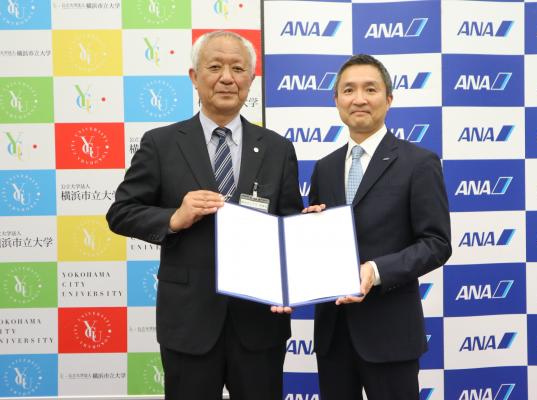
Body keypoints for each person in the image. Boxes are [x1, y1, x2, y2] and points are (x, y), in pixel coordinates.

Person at [106, 31, 303, 399]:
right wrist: (173, 218)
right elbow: (121, 213)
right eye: (215, 67)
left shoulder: (278, 148)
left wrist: (311, 227)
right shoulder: (161, 143)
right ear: (194, 77)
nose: (227, 78)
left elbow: (288, 226)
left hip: (258, 323)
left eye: (238, 69)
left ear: (251, 80)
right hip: (189, 322)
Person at [306, 54, 452, 399]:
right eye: (348, 90)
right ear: (336, 100)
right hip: (333, 335)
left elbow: (436, 242)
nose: (358, 98)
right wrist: (308, 232)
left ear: (389, 99)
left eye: (370, 89)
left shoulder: (419, 163)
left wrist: (375, 270)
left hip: (391, 334)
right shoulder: (324, 168)